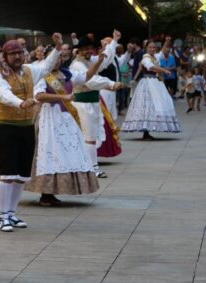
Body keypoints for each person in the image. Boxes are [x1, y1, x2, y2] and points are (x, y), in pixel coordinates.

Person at [0, 33, 63, 232]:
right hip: (4, 126)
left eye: (20, 53)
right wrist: (21, 103)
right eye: (13, 54)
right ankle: (3, 216)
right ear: (5, 56)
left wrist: (57, 48)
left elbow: (46, 67)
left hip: (26, 126)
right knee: (7, 172)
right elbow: (3, 94)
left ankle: (12, 213)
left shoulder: (29, 70)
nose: (17, 57)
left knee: (21, 174)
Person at [25, 48, 104, 206]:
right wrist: (62, 96)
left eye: (59, 58)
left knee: (66, 153)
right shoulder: (42, 74)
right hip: (49, 117)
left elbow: (86, 76)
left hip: (66, 117)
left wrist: (99, 61)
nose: (57, 61)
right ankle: (46, 193)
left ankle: (55, 190)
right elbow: (39, 96)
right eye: (53, 58)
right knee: (49, 152)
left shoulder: (67, 73)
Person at [70, 32, 122, 179]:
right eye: (85, 49)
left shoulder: (89, 61)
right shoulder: (77, 64)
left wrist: (114, 41)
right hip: (82, 104)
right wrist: (111, 84)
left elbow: (105, 60)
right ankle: (93, 167)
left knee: (92, 135)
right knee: (89, 137)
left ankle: (86, 165)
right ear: (79, 50)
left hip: (92, 103)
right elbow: (91, 81)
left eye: (90, 48)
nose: (88, 51)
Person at [121, 41, 182, 140]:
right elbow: (150, 66)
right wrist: (164, 70)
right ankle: (145, 132)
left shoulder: (155, 57)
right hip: (147, 82)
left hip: (155, 82)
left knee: (156, 105)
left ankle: (148, 130)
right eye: (150, 47)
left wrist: (166, 42)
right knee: (147, 106)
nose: (152, 49)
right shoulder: (146, 58)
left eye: (154, 47)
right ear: (146, 48)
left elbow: (161, 53)